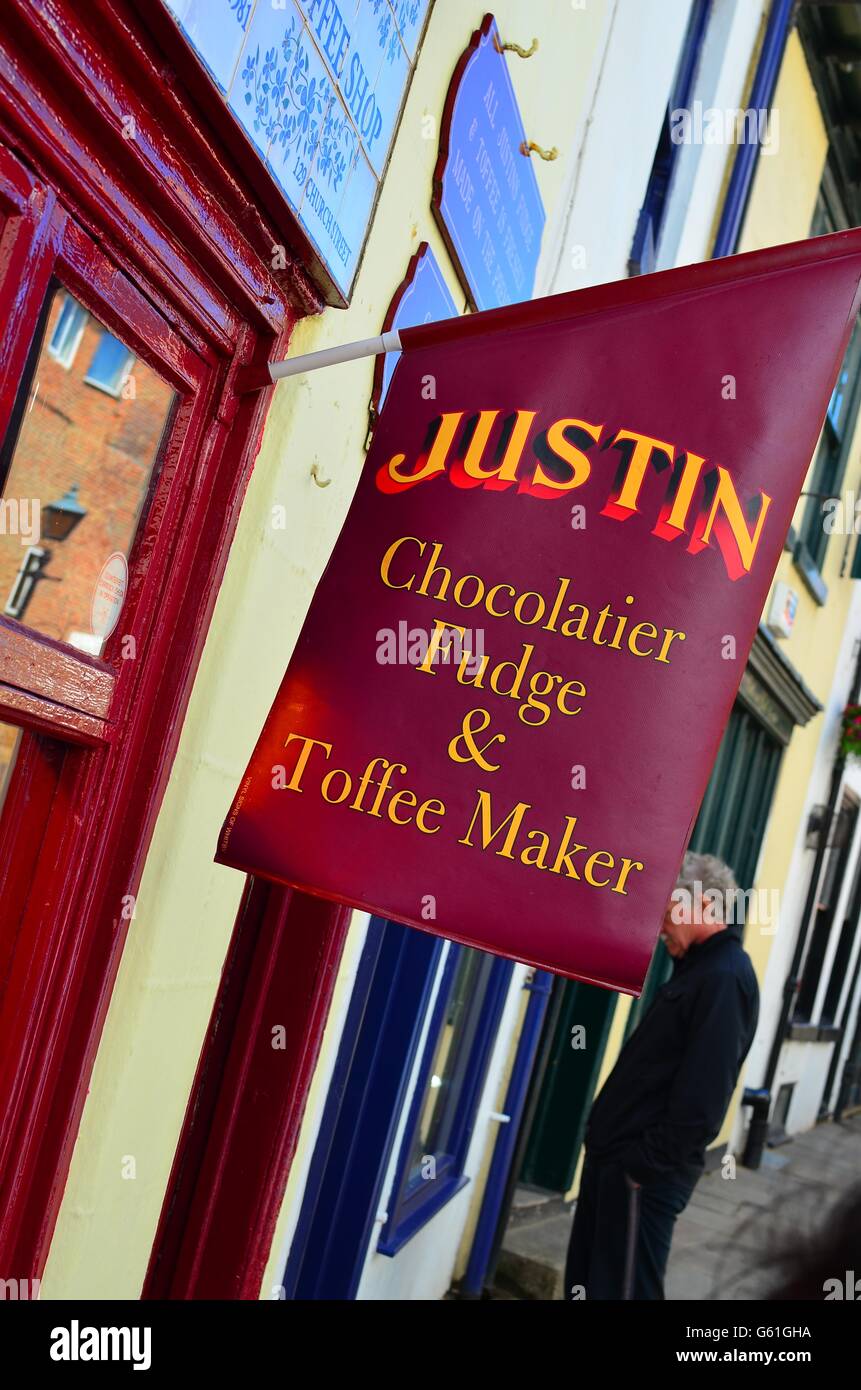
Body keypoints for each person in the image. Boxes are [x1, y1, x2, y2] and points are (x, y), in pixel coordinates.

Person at [565, 852, 759, 1300]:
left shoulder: (724, 978)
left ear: (703, 907)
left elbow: (702, 1104)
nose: (659, 927)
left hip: (640, 1179)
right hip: (618, 1169)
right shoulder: (701, 971)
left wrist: (639, 1169)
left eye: (668, 911)